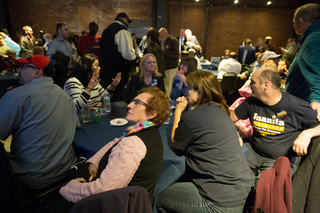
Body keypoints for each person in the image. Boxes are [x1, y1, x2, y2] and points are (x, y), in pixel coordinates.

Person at [157, 71, 254, 213]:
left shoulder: (193, 117)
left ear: (199, 92)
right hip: (240, 190)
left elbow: (176, 143)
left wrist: (178, 111)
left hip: (218, 202)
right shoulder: (222, 110)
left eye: (189, 88)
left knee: (159, 195)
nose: (186, 91)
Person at [59, 87, 170, 205]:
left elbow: (102, 191)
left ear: (152, 114)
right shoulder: (150, 132)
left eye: (137, 103)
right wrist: (94, 161)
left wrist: (71, 188)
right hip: (138, 204)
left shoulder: (132, 144)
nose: (129, 105)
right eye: (133, 101)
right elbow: (117, 141)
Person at [0, 55, 78, 190]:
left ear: (38, 72)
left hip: (30, 178)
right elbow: (75, 126)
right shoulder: (66, 98)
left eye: (23, 67)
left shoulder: (16, 96)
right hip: (65, 172)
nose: (18, 71)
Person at [231, 67, 320, 175]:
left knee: (266, 187)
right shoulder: (251, 102)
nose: (249, 85)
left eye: (253, 82)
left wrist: (307, 133)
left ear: (266, 85)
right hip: (253, 152)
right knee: (229, 170)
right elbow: (228, 119)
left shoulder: (296, 106)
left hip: (278, 160)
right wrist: (234, 132)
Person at [285, 3, 320, 121]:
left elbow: (316, 70)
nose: (293, 25)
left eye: (293, 22)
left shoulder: (313, 39)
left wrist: (317, 99)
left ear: (301, 21)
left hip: (305, 105)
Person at [100, 12, 137, 102]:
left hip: (106, 69)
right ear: (124, 20)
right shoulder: (122, 30)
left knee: (108, 94)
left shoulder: (106, 30)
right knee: (119, 95)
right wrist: (136, 60)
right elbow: (127, 53)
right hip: (118, 71)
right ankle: (118, 112)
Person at [158, 28, 179, 98]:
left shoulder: (173, 41)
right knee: (166, 88)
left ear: (166, 33)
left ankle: (170, 105)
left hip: (171, 68)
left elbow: (176, 53)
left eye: (161, 36)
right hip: (165, 69)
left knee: (170, 88)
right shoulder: (162, 43)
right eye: (159, 37)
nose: (161, 38)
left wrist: (163, 53)